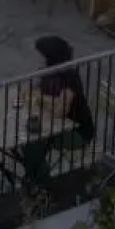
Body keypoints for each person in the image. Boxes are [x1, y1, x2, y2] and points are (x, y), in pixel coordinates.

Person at [16, 35, 96, 184]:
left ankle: (40, 183)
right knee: (29, 143)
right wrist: (30, 92)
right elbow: (31, 89)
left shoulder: (70, 78)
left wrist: (40, 98)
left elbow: (60, 111)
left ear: (51, 58)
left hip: (76, 133)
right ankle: (37, 181)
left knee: (33, 144)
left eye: (41, 56)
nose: (38, 59)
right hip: (53, 126)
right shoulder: (46, 71)